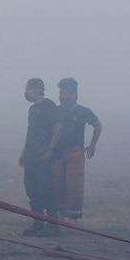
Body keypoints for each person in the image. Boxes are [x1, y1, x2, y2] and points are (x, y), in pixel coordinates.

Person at [52, 78, 102, 220]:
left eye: (65, 93)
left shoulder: (83, 111)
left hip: (76, 151)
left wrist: (93, 145)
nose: (61, 96)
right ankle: (57, 216)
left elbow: (98, 125)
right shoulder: (55, 111)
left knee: (74, 185)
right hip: (57, 152)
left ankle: (72, 218)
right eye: (60, 93)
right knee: (56, 183)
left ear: (74, 94)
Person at [18, 78, 62, 236]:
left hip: (43, 156)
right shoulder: (32, 109)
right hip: (31, 156)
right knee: (32, 189)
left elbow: (58, 128)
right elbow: (31, 131)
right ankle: (38, 222)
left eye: (28, 88)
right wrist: (24, 152)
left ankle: (53, 225)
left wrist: (49, 150)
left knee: (46, 189)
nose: (26, 91)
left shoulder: (49, 106)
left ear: (36, 89)